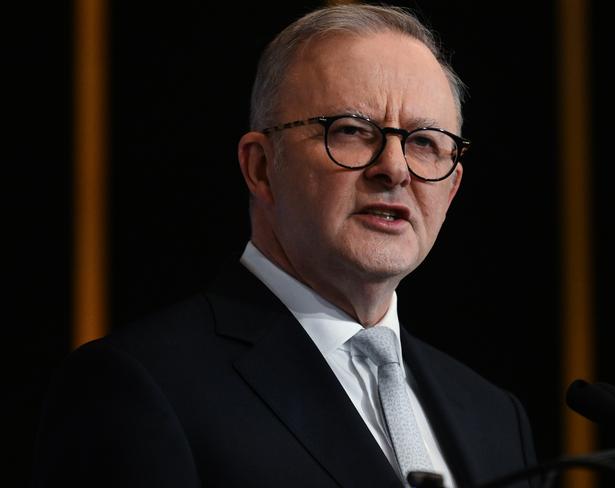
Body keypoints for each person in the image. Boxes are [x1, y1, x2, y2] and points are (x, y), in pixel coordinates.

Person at [32, 4, 539, 488]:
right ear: (260, 167)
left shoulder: (495, 417)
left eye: (425, 142)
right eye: (352, 132)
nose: (395, 168)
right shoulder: (139, 387)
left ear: (451, 189)